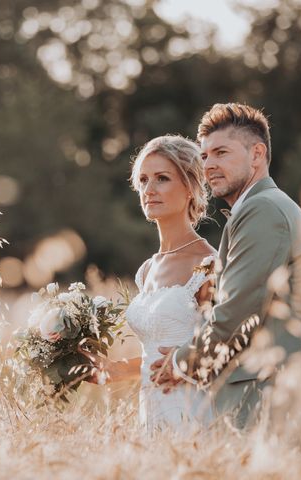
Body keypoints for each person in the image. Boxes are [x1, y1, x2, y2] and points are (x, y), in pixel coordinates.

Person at [150, 103, 301, 448]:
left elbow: (237, 313)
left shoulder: (263, 210)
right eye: (205, 155)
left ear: (257, 154)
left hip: (277, 398)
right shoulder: (262, 208)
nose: (209, 164)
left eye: (222, 153)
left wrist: (180, 362)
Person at [83, 134, 217, 433]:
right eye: (143, 180)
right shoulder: (147, 270)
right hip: (151, 411)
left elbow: (228, 346)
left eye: (162, 178)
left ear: (191, 187)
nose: (149, 189)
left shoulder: (208, 265)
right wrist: (111, 370)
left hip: (192, 412)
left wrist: (187, 366)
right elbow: (154, 356)